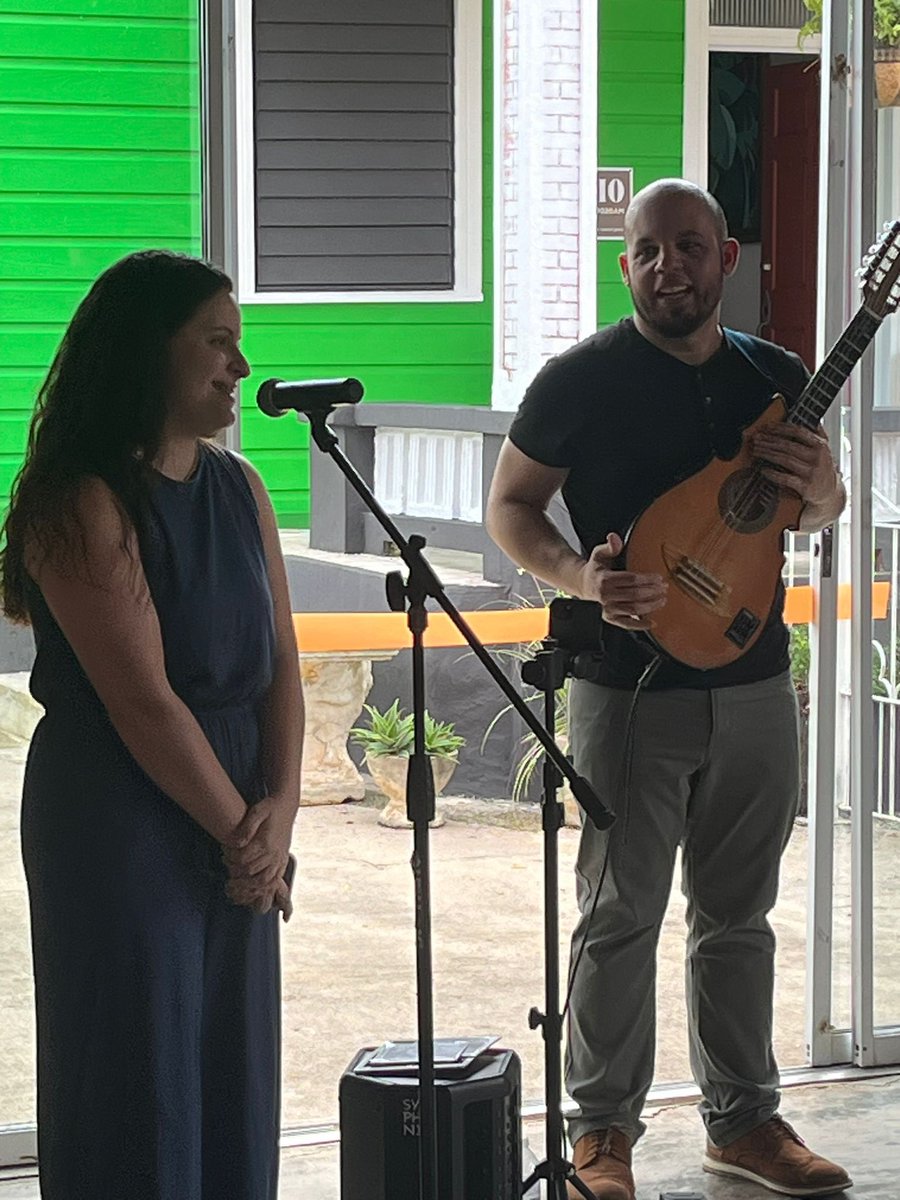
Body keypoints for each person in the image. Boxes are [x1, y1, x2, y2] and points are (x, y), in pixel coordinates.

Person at [486, 179, 852, 1200]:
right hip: (626, 687)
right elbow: (512, 507)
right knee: (618, 914)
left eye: (688, 248)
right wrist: (582, 579)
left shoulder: (778, 376)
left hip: (754, 682)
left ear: (726, 258)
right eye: (648, 250)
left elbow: (819, 506)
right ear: (626, 264)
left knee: (739, 915)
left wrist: (820, 484)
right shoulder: (579, 380)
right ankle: (601, 1132)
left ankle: (743, 1122)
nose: (667, 267)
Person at [0, 250, 305, 1200]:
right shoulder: (79, 501)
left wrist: (282, 810)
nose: (239, 370)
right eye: (216, 344)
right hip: (124, 819)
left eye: (239, 346)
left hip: (239, 810)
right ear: (147, 351)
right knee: (137, 1079)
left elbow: (280, 665)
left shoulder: (240, 488)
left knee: (229, 1070)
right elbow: (141, 702)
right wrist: (243, 836)